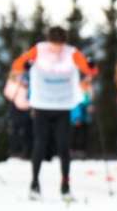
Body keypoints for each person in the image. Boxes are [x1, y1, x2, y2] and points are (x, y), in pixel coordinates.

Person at [10, 26, 98, 199]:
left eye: (59, 46)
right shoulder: (39, 49)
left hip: (63, 106)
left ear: (64, 43)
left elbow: (89, 70)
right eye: (53, 46)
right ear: (48, 42)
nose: (56, 50)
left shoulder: (71, 53)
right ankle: (34, 184)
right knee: (39, 145)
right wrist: (25, 64)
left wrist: (91, 65)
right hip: (42, 105)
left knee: (64, 147)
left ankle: (65, 186)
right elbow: (17, 65)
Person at [3, 69, 33, 159]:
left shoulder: (31, 76)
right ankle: (15, 151)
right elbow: (8, 92)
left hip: (29, 108)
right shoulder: (13, 78)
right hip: (15, 108)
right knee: (15, 130)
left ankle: (27, 152)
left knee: (28, 131)